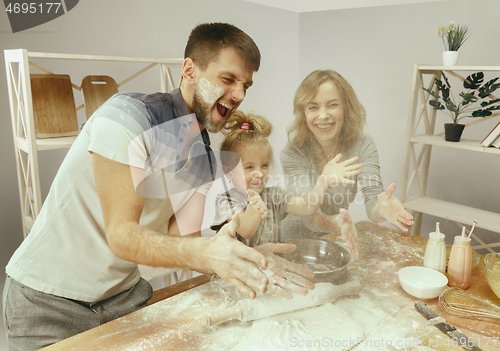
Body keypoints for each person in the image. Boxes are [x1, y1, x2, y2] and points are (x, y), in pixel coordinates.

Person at [3, 23, 312, 351]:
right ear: (189, 70)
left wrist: (241, 255)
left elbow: (186, 243)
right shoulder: (125, 118)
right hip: (47, 303)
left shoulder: (200, 153)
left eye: (246, 85)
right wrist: (207, 253)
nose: (239, 95)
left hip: (122, 299)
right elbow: (121, 234)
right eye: (228, 79)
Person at [280, 70, 414, 256]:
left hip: (332, 237)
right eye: (313, 107)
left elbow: (373, 199)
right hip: (291, 239)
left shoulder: (362, 145)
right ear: (303, 113)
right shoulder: (294, 150)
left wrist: (381, 208)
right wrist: (337, 221)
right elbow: (307, 212)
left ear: (346, 107)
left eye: (332, 105)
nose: (323, 115)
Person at [210, 111, 362, 254]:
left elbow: (306, 206)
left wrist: (323, 180)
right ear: (228, 172)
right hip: (235, 276)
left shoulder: (273, 195)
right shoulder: (226, 200)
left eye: (264, 165)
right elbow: (245, 229)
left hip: (269, 269)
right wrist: (254, 209)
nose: (259, 173)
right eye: (249, 167)